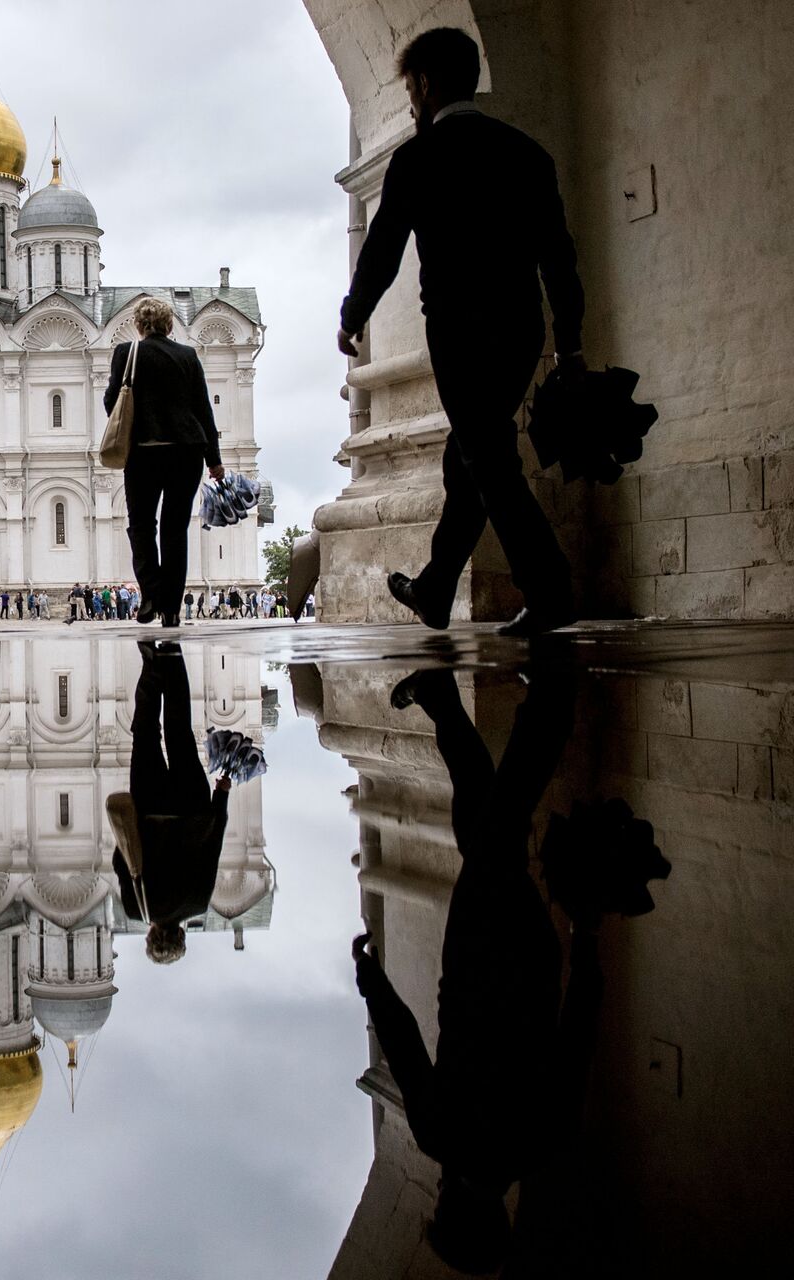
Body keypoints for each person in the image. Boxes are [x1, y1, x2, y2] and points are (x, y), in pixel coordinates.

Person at [353, 664, 652, 1272]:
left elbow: (578, 1037)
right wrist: (370, 979)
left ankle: (457, 704)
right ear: (453, 1205)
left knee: (488, 832)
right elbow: (405, 1046)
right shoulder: (441, 1137)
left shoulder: (543, 1144)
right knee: (501, 820)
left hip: (532, 956)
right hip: (474, 955)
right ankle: (547, 697)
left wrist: (586, 937)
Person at [338, 26, 583, 637]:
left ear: (423, 84)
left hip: (459, 335)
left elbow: (384, 250)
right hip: (521, 329)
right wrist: (570, 340)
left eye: (411, 91)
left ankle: (550, 588)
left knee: (488, 460)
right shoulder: (528, 153)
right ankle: (436, 585)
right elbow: (559, 256)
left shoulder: (420, 158)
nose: (412, 103)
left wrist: (352, 314)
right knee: (469, 457)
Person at [108, 642, 232, 965]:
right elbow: (122, 861)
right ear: (150, 936)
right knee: (146, 733)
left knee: (180, 733)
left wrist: (222, 795)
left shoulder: (198, 904)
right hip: (149, 811)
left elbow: (213, 849)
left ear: (182, 935)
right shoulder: (137, 908)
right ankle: (151, 666)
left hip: (192, 808)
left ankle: (172, 657)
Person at [105, 298, 224, 629]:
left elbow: (111, 402)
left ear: (139, 326)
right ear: (170, 325)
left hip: (143, 452)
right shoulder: (187, 356)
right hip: (186, 452)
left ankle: (150, 594)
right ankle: (171, 609)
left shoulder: (127, 354)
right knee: (175, 530)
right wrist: (214, 460)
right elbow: (203, 409)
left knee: (141, 525)